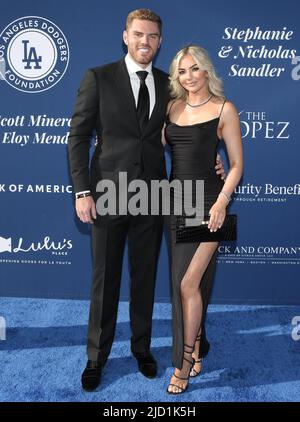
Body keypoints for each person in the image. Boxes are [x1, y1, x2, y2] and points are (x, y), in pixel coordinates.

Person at [68, 9, 225, 392]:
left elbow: (186, 128)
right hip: (107, 193)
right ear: (125, 36)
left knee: (145, 277)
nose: (145, 42)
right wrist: (83, 190)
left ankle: (142, 349)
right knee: (104, 279)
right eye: (138, 34)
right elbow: (78, 137)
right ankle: (97, 357)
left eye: (153, 36)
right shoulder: (98, 78)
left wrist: (212, 157)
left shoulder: (167, 85)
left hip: (154, 196)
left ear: (159, 40)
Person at [165, 45, 243, 394]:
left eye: (195, 69)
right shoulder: (172, 107)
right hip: (176, 203)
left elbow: (238, 165)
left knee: (187, 284)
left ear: (206, 71)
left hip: (212, 206)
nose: (189, 77)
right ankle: (196, 349)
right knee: (191, 285)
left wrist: (223, 201)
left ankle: (182, 366)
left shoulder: (225, 109)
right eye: (183, 71)